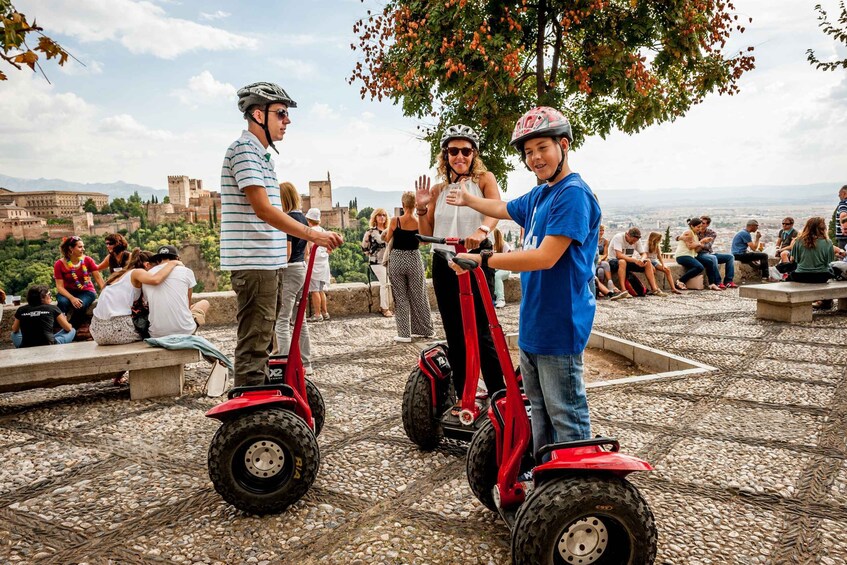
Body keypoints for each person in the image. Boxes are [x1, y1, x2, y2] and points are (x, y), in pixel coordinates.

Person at [446, 106, 600, 457]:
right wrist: (469, 198)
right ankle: (547, 488)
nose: (535, 158)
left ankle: (578, 492)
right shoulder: (541, 194)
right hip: (535, 322)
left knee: (567, 416)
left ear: (563, 145)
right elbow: (503, 208)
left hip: (561, 322)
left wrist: (483, 259)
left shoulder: (572, 194)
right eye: (528, 152)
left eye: (542, 148)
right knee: (540, 413)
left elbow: (545, 257)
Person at [220, 82, 342, 387]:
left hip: (269, 264)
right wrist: (312, 235)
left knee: (263, 341)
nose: (287, 120)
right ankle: (251, 419)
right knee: (254, 343)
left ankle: (260, 406)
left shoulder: (262, 157)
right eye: (281, 113)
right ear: (258, 114)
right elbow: (263, 209)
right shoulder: (244, 150)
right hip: (255, 263)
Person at [414, 123, 505, 411]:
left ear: (473, 153)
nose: (459, 156)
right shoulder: (439, 189)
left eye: (465, 150)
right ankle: (464, 395)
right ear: (446, 155)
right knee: (454, 330)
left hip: (475, 259)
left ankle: (499, 396)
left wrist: (481, 231)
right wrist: (420, 208)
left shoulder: (484, 179)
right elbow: (426, 230)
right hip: (444, 261)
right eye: (453, 151)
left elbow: (495, 210)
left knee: (482, 329)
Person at [90, 248, 183, 345]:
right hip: (118, 330)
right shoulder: (137, 272)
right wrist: (172, 263)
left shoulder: (118, 275)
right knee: (158, 318)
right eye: (156, 268)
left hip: (97, 331)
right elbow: (156, 280)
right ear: (147, 265)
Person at [273, 182, 313, 375]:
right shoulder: (303, 219)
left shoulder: (288, 219)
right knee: (300, 320)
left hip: (289, 270)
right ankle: (306, 363)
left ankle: (286, 365)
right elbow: (306, 250)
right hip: (301, 270)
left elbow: (287, 252)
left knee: (282, 319)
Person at [383, 192, 434, 342]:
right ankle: (426, 330)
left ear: (403, 204)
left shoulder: (395, 221)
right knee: (419, 295)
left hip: (397, 259)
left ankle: (404, 334)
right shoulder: (419, 222)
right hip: (413, 258)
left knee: (400, 296)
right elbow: (425, 241)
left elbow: (387, 239)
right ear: (415, 205)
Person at [143, 245, 210, 338]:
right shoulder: (186, 272)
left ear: (158, 260)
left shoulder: (147, 275)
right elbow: (187, 304)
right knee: (204, 303)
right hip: (185, 330)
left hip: (156, 333)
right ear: (177, 259)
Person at [54, 236, 106, 322]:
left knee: (80, 306)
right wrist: (72, 298)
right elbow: (59, 287)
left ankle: (72, 329)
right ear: (71, 248)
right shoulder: (59, 264)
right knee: (63, 303)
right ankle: (61, 324)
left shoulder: (88, 260)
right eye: (80, 247)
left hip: (86, 291)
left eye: (83, 246)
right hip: (67, 292)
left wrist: (106, 294)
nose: (83, 249)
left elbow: (99, 279)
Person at [608, 227, 667, 298]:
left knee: (647, 262)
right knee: (622, 261)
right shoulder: (618, 237)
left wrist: (641, 260)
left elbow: (644, 254)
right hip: (613, 260)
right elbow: (619, 255)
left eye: (635, 241)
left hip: (628, 261)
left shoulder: (636, 240)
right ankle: (623, 290)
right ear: (627, 235)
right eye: (632, 241)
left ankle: (654, 289)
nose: (633, 243)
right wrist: (635, 260)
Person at [11, 285, 76, 348]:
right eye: (49, 294)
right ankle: (53, 340)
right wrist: (66, 321)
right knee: (72, 330)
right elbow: (68, 328)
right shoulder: (52, 308)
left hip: (26, 345)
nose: (51, 296)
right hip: (49, 345)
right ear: (42, 298)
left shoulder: (21, 309)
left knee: (14, 334)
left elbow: (14, 329)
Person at [361, 207, 393, 317]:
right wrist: (373, 254)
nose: (382, 217)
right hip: (376, 262)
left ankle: (384, 306)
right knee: (385, 283)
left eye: (384, 215)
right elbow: (364, 247)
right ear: (375, 217)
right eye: (379, 215)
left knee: (388, 283)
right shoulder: (370, 232)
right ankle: (384, 308)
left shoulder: (390, 231)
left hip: (388, 261)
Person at [304, 208, 332, 323]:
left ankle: (317, 314)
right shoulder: (324, 231)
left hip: (314, 264)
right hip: (324, 264)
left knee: (315, 290)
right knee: (321, 290)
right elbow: (330, 250)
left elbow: (307, 251)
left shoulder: (310, 232)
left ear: (308, 219)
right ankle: (325, 312)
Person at [698, 215, 737, 289]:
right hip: (700, 254)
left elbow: (708, 246)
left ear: (707, 224)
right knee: (713, 258)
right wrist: (702, 243)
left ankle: (728, 281)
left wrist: (700, 244)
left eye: (703, 223)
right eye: (700, 222)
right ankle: (717, 282)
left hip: (709, 253)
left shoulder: (712, 233)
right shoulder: (695, 232)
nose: (700, 224)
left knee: (730, 257)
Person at [673, 218, 707, 290]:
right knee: (699, 267)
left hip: (690, 256)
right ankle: (680, 281)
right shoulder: (689, 232)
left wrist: (702, 244)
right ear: (692, 226)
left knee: (704, 264)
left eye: (700, 227)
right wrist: (701, 242)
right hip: (682, 255)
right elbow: (690, 246)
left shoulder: (695, 235)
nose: (700, 228)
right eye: (698, 227)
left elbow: (696, 250)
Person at [492, 227, 512, 308]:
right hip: (495, 268)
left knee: (497, 276)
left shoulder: (504, 245)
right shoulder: (491, 246)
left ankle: (501, 299)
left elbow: (510, 260)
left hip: (505, 269)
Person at [835, 185, 847, 250]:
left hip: (844, 239)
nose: (839, 196)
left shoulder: (844, 203)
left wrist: (844, 228)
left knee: (843, 257)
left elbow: (843, 215)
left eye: (840, 194)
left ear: (844, 193)